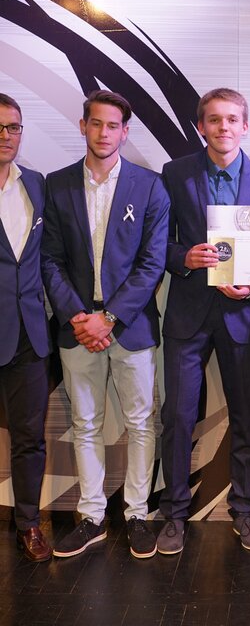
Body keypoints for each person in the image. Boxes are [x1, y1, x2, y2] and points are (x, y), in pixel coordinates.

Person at [41, 90, 169, 559]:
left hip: (130, 325)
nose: (103, 132)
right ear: (83, 126)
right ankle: (92, 516)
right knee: (85, 422)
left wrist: (110, 318)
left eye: (113, 125)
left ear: (124, 132)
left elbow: (152, 263)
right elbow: (50, 259)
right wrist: (80, 317)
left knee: (141, 422)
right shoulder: (57, 184)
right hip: (76, 325)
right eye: (95, 123)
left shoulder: (150, 186)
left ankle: (137, 514)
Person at [158, 88, 250, 554]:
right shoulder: (175, 173)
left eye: (231, 119)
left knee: (245, 418)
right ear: (201, 127)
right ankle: (174, 514)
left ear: (244, 126)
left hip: (243, 317)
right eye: (213, 119)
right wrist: (184, 258)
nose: (223, 127)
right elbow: (157, 242)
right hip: (188, 315)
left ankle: (243, 511)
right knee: (177, 417)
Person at [0, 94, 52, 562]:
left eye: (13, 127)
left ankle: (29, 524)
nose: (6, 135)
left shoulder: (35, 184)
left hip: (29, 336)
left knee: (29, 438)